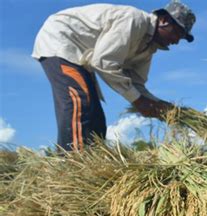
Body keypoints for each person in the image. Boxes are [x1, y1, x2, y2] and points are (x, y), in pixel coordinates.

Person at [32, 0, 196, 151]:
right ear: (164, 20)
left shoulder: (148, 49)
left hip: (82, 58)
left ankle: (94, 164)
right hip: (62, 40)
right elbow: (103, 61)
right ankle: (71, 167)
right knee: (79, 102)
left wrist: (161, 106)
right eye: (178, 33)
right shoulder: (134, 21)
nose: (176, 41)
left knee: (96, 119)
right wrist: (138, 101)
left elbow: (137, 85)